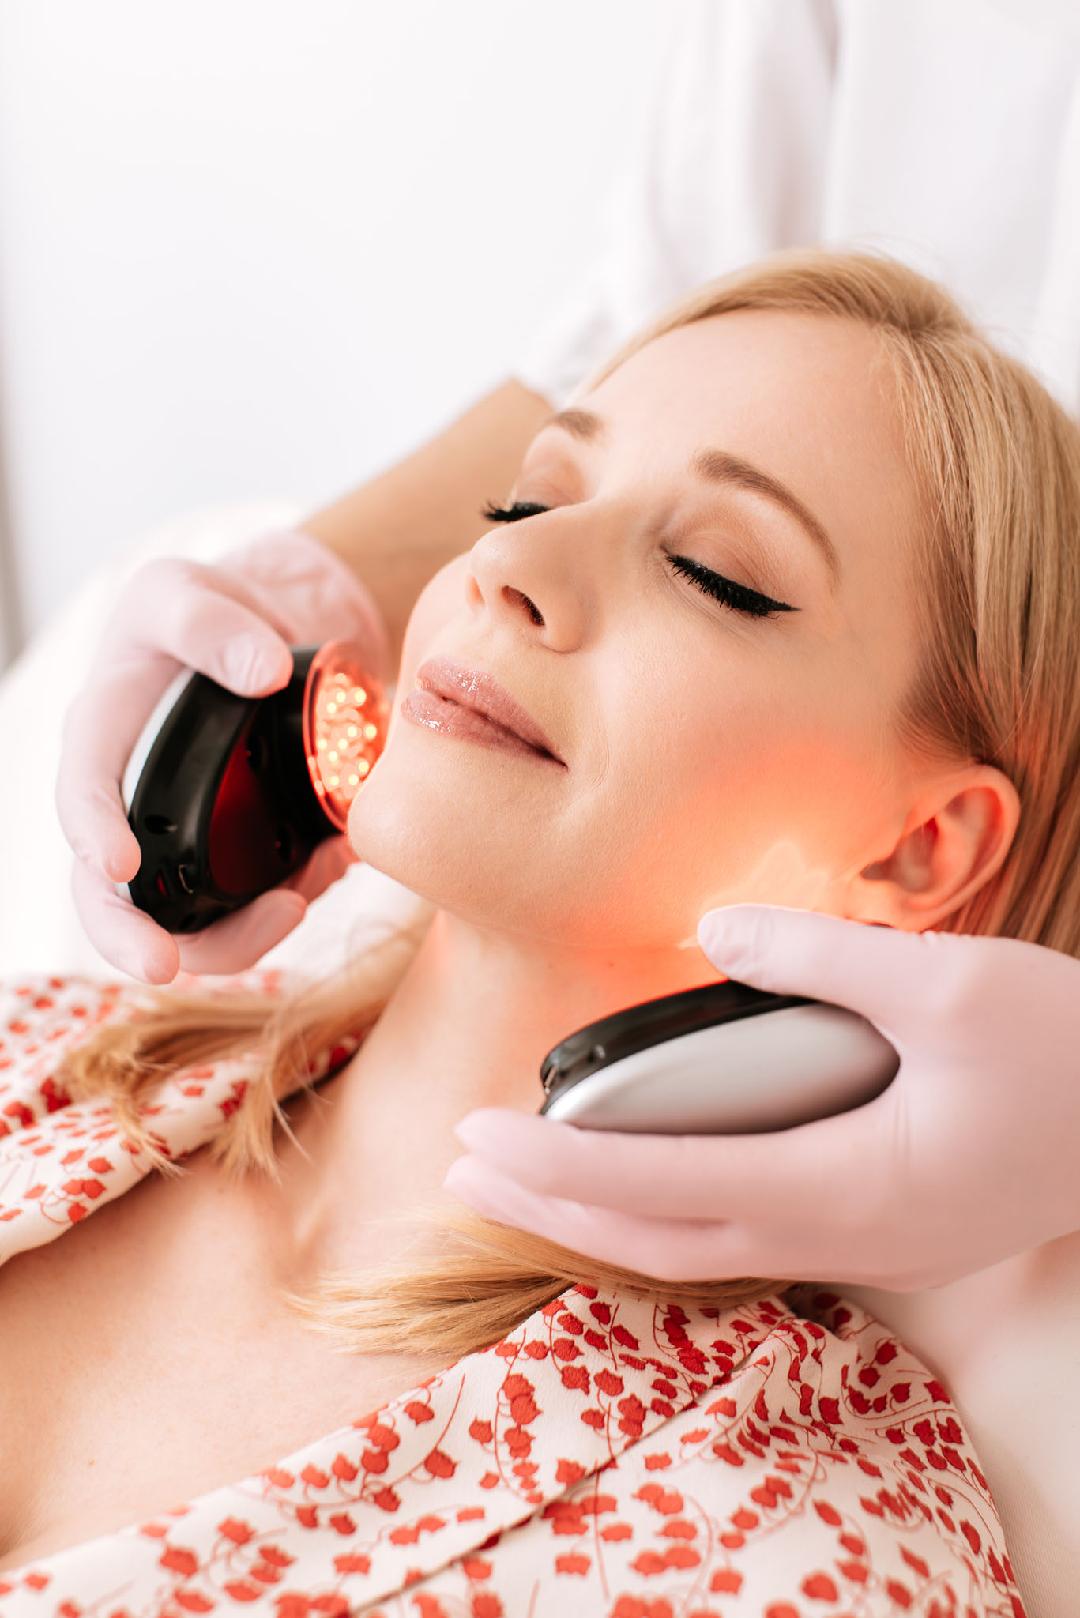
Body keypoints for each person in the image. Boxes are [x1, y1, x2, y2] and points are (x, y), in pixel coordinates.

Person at [5, 248, 1076, 1609]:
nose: (509, 560)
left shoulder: (785, 1544)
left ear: (920, 846)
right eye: (527, 497)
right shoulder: (50, 1052)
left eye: (712, 573)